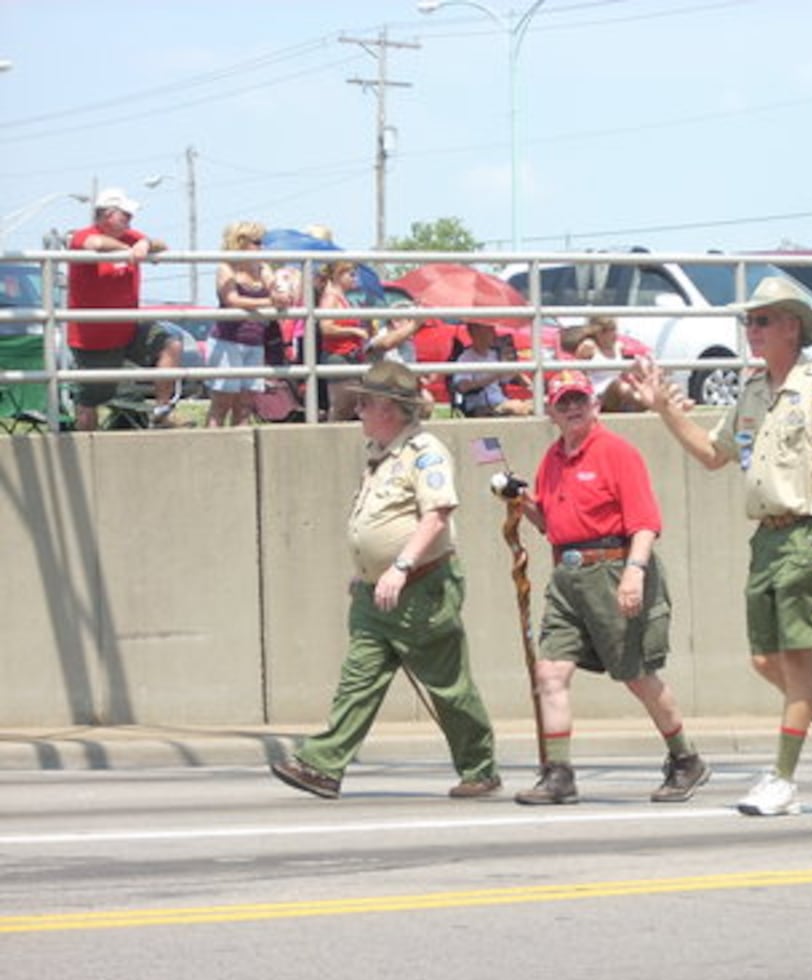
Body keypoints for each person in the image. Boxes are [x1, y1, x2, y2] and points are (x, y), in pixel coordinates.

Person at [626, 275, 812, 817]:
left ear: (792, 326)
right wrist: (666, 411)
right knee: (766, 660)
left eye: (762, 320)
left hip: (808, 535)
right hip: (765, 540)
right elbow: (714, 455)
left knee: (796, 664)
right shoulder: (753, 392)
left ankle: (782, 780)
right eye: (750, 321)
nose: (752, 330)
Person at [270, 360, 502, 800]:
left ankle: (480, 767)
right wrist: (366, 573)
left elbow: (437, 515)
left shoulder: (425, 451)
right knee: (358, 679)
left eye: (366, 403)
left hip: (422, 589)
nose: (357, 410)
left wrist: (399, 567)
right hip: (378, 593)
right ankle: (323, 764)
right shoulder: (380, 453)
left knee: (449, 686)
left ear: (391, 409)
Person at [502, 368, 709, 806]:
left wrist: (634, 573)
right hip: (567, 577)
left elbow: (645, 522)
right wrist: (522, 502)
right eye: (564, 402)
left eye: (580, 400)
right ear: (551, 412)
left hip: (614, 569)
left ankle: (685, 758)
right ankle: (558, 774)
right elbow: (552, 526)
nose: (573, 408)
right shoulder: (552, 460)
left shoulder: (617, 453)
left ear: (595, 405)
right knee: (550, 672)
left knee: (637, 675)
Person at [66, 187, 187, 431]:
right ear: (107, 215)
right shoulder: (83, 235)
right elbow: (94, 243)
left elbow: (162, 244)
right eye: (126, 216)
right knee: (90, 399)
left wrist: (145, 243)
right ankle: (85, 447)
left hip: (129, 328)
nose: (130, 222)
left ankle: (162, 411)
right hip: (93, 338)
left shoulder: (130, 235)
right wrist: (128, 250)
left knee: (170, 343)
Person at [207, 221, 291, 427]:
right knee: (222, 403)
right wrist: (268, 302)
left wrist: (282, 291)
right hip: (227, 342)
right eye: (257, 242)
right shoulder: (226, 268)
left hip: (255, 343)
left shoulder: (263, 268)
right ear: (241, 242)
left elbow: (278, 291)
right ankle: (210, 450)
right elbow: (232, 300)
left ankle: (239, 450)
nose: (262, 247)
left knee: (245, 405)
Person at [314, 260, 370, 420]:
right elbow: (326, 327)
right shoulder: (331, 297)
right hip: (337, 355)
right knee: (341, 405)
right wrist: (353, 330)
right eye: (351, 274)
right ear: (338, 275)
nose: (355, 278)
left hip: (350, 355)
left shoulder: (343, 298)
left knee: (351, 403)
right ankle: (330, 440)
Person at [453, 321, 534, 417]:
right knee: (518, 408)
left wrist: (532, 386)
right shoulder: (465, 358)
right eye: (489, 329)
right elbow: (462, 387)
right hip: (481, 406)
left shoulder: (494, 355)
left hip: (500, 401)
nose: (493, 333)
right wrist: (494, 375)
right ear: (475, 332)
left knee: (536, 405)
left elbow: (512, 376)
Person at [574, 316, 643, 412]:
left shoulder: (619, 347)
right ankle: (647, 403)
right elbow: (577, 373)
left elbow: (625, 372)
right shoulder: (589, 346)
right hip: (598, 395)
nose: (614, 334)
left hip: (620, 393)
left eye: (614, 329)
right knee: (617, 385)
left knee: (638, 380)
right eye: (610, 330)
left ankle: (648, 401)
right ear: (599, 332)